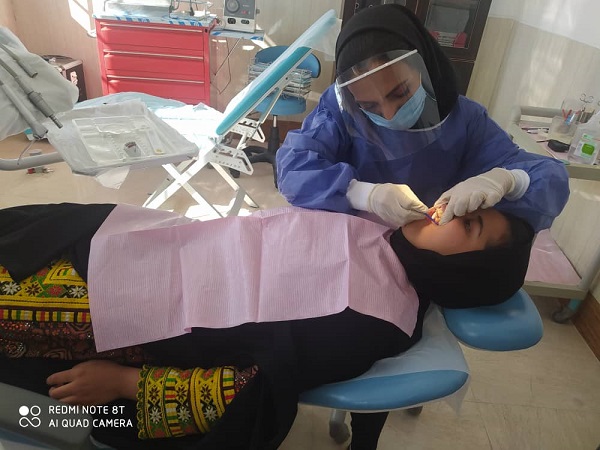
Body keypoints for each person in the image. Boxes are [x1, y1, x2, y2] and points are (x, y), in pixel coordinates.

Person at [0, 202, 534, 450]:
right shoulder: (378, 228)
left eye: (468, 223)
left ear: (465, 270)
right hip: (136, 239)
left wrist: (122, 385)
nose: (449, 209)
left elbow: (253, 391)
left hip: (112, 312)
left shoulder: (376, 321)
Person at [276, 4, 569, 233]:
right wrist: (363, 194)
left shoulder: (466, 121)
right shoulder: (339, 108)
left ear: (424, 67)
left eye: (400, 93)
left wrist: (507, 179)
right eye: (369, 105)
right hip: (350, 241)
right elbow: (293, 168)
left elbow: (549, 179)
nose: (389, 113)